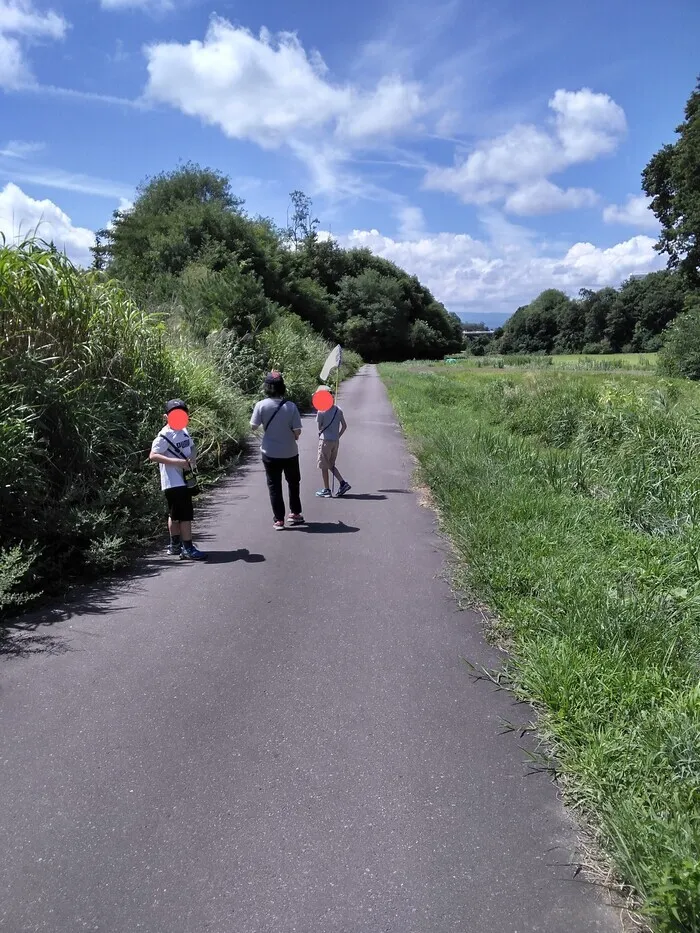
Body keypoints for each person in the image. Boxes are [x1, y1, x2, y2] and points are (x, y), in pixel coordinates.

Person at [149, 399, 207, 561]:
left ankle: (175, 546)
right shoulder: (164, 435)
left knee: (175, 514)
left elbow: (192, 447)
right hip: (174, 482)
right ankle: (188, 548)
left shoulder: (183, 430)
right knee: (185, 516)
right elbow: (153, 456)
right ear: (165, 416)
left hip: (184, 480)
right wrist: (179, 463)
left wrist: (192, 459)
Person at [250, 372, 305, 530]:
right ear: (282, 387)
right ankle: (295, 513)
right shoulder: (291, 406)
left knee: (274, 486)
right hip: (290, 452)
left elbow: (253, 426)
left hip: (269, 452)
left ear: (267, 387)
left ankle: (279, 520)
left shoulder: (261, 405)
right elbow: (297, 432)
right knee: (293, 483)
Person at [316, 391, 351, 498]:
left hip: (325, 440)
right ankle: (342, 483)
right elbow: (344, 426)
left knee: (324, 465)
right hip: (335, 441)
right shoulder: (338, 410)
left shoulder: (321, 411)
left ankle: (327, 489)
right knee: (331, 464)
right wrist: (337, 436)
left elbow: (319, 427)